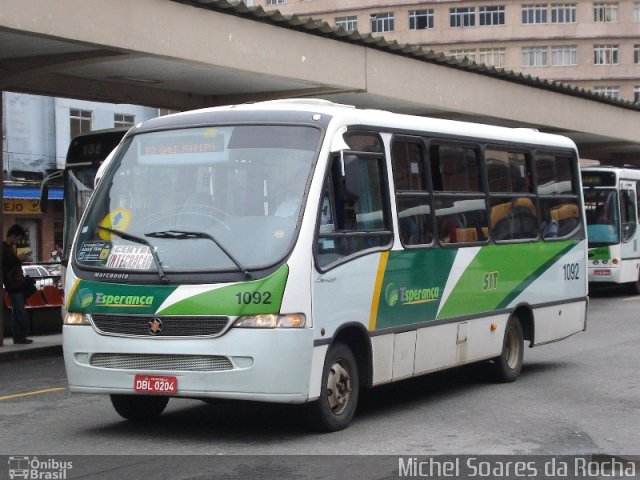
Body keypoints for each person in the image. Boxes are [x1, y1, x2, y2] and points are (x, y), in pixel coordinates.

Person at [2, 224, 33, 344]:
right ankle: (20, 336)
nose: (18, 241)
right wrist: (21, 258)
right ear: (13, 236)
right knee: (20, 312)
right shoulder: (4, 248)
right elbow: (8, 264)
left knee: (17, 312)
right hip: (13, 285)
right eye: (18, 238)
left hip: (16, 284)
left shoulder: (9, 248)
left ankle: (18, 336)